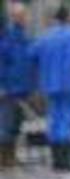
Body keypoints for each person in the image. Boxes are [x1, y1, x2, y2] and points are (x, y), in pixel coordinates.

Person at [29, 5, 70, 172]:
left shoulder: (46, 37)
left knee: (55, 119)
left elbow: (32, 55)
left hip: (50, 84)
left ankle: (57, 158)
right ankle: (67, 159)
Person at [0, 3, 33, 167]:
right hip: (8, 90)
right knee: (6, 124)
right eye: (22, 15)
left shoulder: (25, 38)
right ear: (14, 17)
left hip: (22, 89)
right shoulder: (6, 38)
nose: (26, 18)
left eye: (25, 15)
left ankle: (11, 156)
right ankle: (4, 158)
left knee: (16, 125)